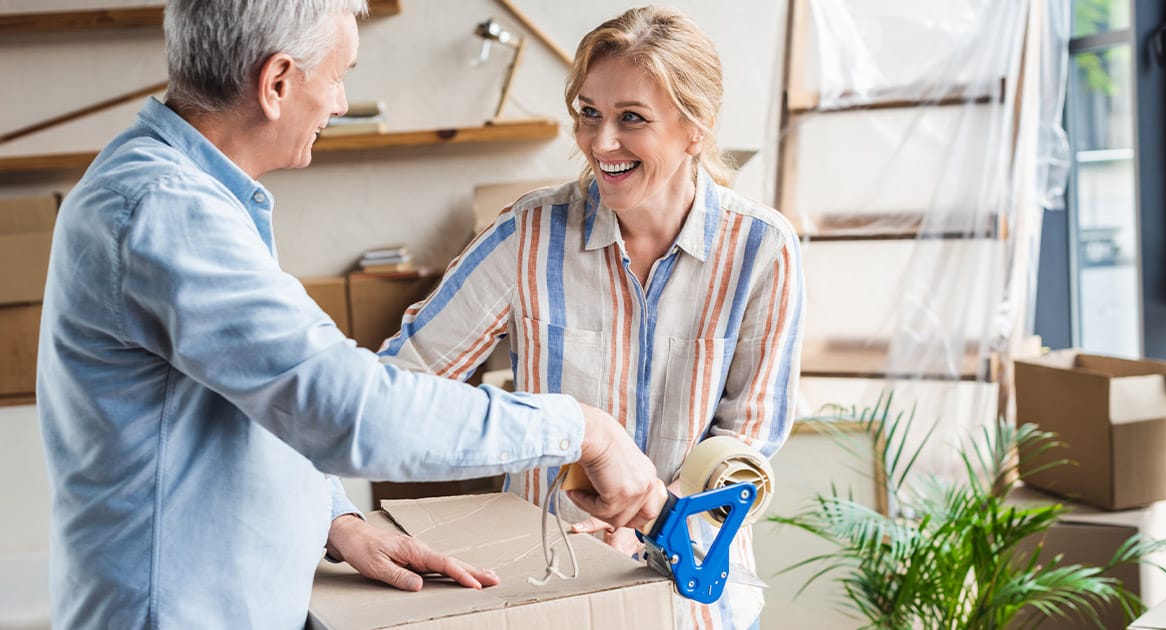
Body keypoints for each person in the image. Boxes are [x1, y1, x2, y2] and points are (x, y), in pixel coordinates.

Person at [36, 1, 666, 627]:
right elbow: (347, 407)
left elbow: (268, 395)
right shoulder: (165, 211)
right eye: (338, 76)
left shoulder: (196, 197)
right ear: (277, 83)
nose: (339, 104)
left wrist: (334, 519)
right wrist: (582, 428)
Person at [377, 6, 804, 629]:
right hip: (545, 582)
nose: (600, 144)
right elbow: (397, 386)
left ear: (696, 128)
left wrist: (654, 520)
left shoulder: (762, 249)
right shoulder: (525, 236)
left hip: (693, 587)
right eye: (588, 113)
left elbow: (746, 451)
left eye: (631, 118)